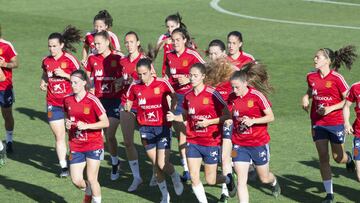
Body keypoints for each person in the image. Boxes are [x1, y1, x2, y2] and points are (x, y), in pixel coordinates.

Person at [167, 63, 236, 203]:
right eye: (190, 75)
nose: (192, 78)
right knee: (194, 177)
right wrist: (175, 117)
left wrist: (208, 122)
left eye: (195, 76)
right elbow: (186, 116)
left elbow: (227, 116)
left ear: (203, 77)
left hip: (210, 141)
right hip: (193, 141)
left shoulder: (212, 94)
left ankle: (228, 179)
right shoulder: (187, 96)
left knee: (210, 180)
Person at [302, 45, 357, 203]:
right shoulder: (311, 77)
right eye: (315, 57)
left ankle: (349, 159)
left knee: (338, 158)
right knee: (323, 157)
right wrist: (306, 98)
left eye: (318, 57)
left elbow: (348, 100)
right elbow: (311, 91)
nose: (315, 59)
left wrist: (330, 108)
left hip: (335, 123)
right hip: (317, 123)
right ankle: (329, 194)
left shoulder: (337, 78)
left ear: (327, 60)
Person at [125, 58, 183, 202]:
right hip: (145, 129)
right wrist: (129, 109)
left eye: (144, 73)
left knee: (162, 164)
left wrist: (173, 109)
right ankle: (165, 195)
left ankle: (175, 176)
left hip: (162, 127)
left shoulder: (162, 83)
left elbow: (174, 95)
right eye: (139, 74)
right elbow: (129, 101)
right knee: (156, 165)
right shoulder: (135, 86)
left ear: (151, 70)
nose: (142, 77)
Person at [227, 62, 280, 202]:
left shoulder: (257, 96)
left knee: (264, 178)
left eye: (237, 87)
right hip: (238, 144)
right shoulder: (232, 97)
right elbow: (229, 116)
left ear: (245, 83)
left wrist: (253, 121)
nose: (234, 90)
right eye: (232, 87)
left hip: (258, 143)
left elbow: (271, 117)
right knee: (241, 181)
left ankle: (274, 182)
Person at [163, 27, 205, 181]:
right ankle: (186, 169)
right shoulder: (169, 55)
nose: (175, 43)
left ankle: (209, 159)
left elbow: (206, 68)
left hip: (192, 98)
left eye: (178, 40)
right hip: (177, 99)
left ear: (185, 40)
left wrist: (189, 79)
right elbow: (167, 75)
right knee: (181, 133)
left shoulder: (192, 54)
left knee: (191, 132)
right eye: (173, 40)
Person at [40, 25, 81, 177]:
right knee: (59, 136)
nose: (52, 49)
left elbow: (81, 80)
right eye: (50, 46)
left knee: (74, 135)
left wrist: (65, 74)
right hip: (53, 103)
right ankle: (64, 167)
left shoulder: (70, 60)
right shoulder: (46, 61)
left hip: (71, 104)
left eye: (55, 46)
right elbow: (45, 74)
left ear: (62, 45)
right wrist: (43, 82)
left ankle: (77, 160)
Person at [118, 31, 157, 190]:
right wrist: (120, 81)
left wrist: (133, 80)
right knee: (127, 142)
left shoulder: (144, 61)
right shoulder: (122, 61)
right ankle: (137, 177)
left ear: (138, 43)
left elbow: (153, 79)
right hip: (126, 104)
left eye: (131, 42)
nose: (128, 45)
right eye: (126, 42)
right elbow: (121, 79)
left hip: (143, 105)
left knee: (146, 142)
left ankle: (156, 172)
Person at [64, 69, 109, 203]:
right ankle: (89, 191)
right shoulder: (67, 100)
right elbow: (68, 115)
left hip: (93, 144)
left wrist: (87, 126)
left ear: (84, 83)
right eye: (71, 82)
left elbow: (105, 122)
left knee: (91, 178)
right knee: (76, 180)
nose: (73, 85)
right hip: (76, 145)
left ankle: (94, 198)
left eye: (76, 82)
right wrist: (68, 124)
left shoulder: (92, 100)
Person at [85, 31, 123, 181]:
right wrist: (90, 86)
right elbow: (87, 77)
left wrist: (120, 81)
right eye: (94, 44)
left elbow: (127, 75)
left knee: (110, 134)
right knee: (106, 136)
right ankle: (115, 161)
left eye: (99, 43)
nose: (96, 46)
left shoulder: (117, 58)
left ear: (108, 42)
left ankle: (114, 164)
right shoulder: (92, 58)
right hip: (99, 101)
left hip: (115, 100)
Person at [204, 58, 235, 202]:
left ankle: (225, 192)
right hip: (212, 123)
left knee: (225, 157)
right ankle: (229, 179)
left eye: (216, 53)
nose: (213, 57)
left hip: (228, 122)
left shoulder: (231, 76)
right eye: (210, 53)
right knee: (217, 158)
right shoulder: (206, 76)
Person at [156, 12, 187, 77]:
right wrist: (164, 42)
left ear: (178, 25)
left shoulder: (183, 37)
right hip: (167, 72)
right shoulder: (164, 37)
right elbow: (156, 50)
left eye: (172, 26)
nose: (170, 29)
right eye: (167, 27)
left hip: (182, 71)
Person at [344, 80, 360, 182]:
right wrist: (346, 122)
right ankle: (351, 158)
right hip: (359, 133)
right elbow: (346, 106)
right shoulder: (356, 87)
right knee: (359, 176)